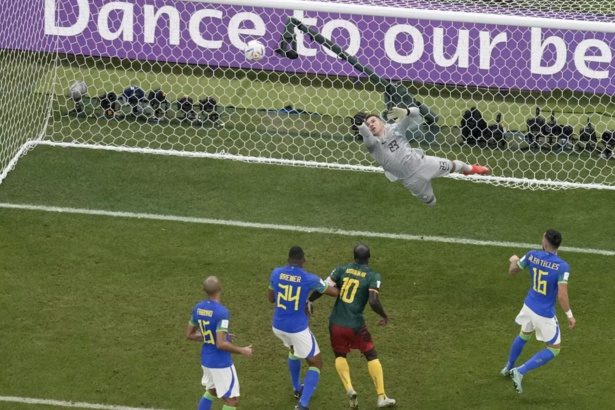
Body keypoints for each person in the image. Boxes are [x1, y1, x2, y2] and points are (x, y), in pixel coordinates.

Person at [309, 243, 396, 409]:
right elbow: (373, 301)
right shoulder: (373, 275)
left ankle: (349, 388)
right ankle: (381, 396)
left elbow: (323, 287)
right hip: (355, 325)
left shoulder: (341, 269)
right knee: (371, 354)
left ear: (354, 256)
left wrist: (310, 300)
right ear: (369, 257)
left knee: (340, 355)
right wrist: (383, 315)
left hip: (335, 323)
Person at [357, 107, 490, 206]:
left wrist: (406, 112)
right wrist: (361, 125)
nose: (371, 125)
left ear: (381, 122)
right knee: (431, 202)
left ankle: (471, 169)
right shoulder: (373, 144)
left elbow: (416, 112)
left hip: (424, 163)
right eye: (368, 125)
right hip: (410, 180)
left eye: (373, 121)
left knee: (455, 165)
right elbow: (367, 136)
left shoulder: (396, 128)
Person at [501, 229, 576, 394]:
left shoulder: (532, 255)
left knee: (524, 335)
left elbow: (513, 271)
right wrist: (570, 316)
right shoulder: (562, 267)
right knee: (554, 349)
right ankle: (519, 371)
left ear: (545, 243)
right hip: (544, 313)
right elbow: (562, 295)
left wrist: (513, 260)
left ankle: (508, 367)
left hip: (528, 306)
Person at [269, 246, 339, 410]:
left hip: (278, 326)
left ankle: (297, 388)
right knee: (316, 363)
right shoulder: (309, 278)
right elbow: (333, 292)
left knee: (294, 350)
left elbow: (271, 298)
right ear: (304, 260)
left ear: (288, 259)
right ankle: (303, 404)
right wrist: (335, 281)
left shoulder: (276, 273)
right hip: (297, 329)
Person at [186, 276, 253, 410]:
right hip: (220, 362)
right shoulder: (222, 312)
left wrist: (214, 336)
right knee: (232, 401)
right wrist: (242, 350)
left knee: (212, 391)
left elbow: (189, 334)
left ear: (204, 290)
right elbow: (221, 344)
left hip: (206, 359)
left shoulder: (198, 308)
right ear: (220, 288)